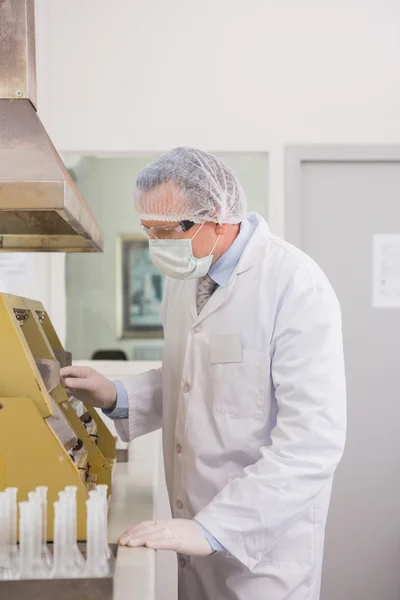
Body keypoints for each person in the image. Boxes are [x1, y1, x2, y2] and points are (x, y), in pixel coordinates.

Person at [61, 147, 346, 600]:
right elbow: (192, 381)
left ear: (215, 215)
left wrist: (214, 529)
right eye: (147, 230)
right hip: (194, 533)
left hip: (264, 553)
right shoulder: (185, 282)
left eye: (166, 231)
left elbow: (312, 443)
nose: (156, 244)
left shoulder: (293, 284)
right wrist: (116, 393)